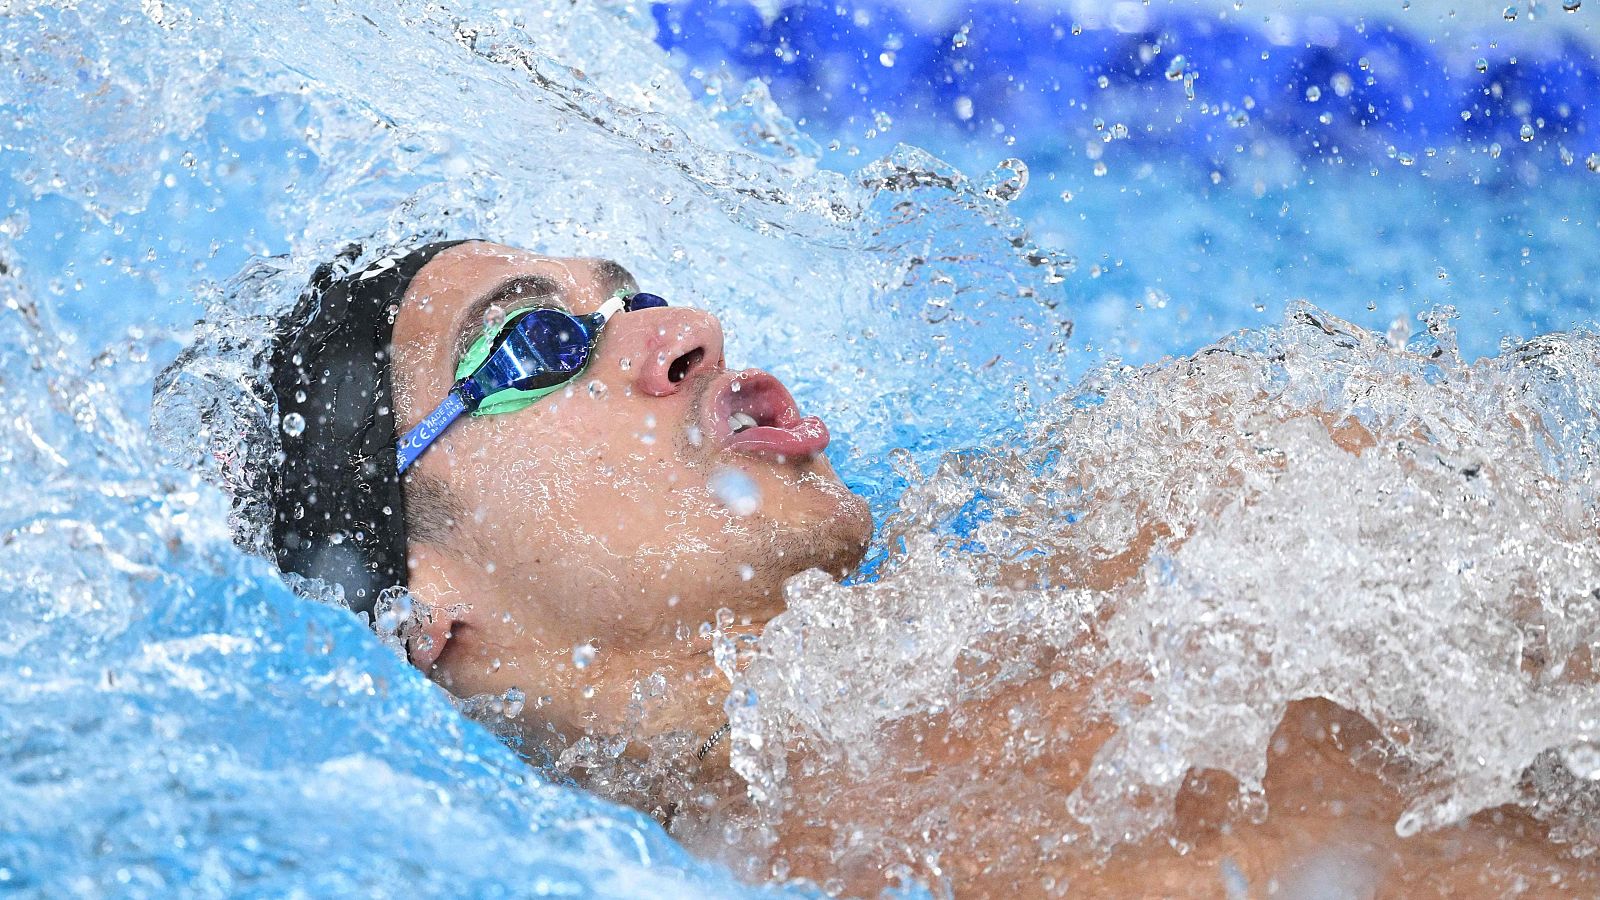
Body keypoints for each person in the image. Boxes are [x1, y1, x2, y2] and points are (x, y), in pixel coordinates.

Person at [260, 239, 1593, 896]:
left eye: (636, 296)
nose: (684, 331)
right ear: (427, 612)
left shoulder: (1191, 505)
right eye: (536, 349)